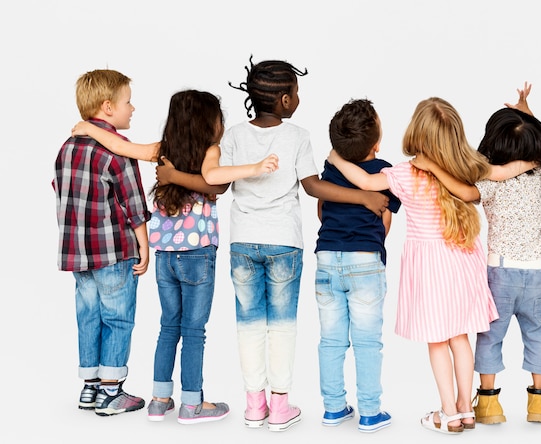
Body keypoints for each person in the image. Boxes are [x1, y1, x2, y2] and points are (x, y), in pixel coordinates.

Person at [156, 56, 389, 432]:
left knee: (248, 324)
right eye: (295, 92)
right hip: (284, 243)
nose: (298, 98)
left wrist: (174, 175)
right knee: (282, 326)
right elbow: (313, 187)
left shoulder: (232, 134)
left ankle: (254, 405)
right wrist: (362, 197)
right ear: (284, 100)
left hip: (243, 243)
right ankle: (280, 408)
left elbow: (216, 184)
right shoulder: (297, 136)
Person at [328, 96, 533, 434]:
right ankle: (467, 410)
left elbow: (364, 183)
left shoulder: (406, 173)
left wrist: (335, 156)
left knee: (437, 340)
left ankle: (449, 413)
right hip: (463, 259)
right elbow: (505, 171)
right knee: (459, 338)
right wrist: (534, 161)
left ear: (417, 134)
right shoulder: (466, 166)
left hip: (429, 265)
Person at [72, 89, 279, 424]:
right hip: (197, 255)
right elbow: (213, 180)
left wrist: (90, 128)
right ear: (209, 123)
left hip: (165, 256)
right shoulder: (211, 151)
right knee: (194, 330)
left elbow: (122, 147)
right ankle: (192, 404)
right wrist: (255, 167)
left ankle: (158, 400)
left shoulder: (162, 151)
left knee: (168, 327)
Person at [411, 83, 541, 425]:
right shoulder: (538, 170)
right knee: (539, 334)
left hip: (500, 272)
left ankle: (488, 405)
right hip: (537, 273)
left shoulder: (489, 183)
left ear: (491, 143)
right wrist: (525, 111)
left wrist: (432, 167)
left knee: (490, 338)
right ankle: (539, 405)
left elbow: (462, 190)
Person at [53, 69, 150, 416]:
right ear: (108, 107)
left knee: (88, 317)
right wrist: (144, 246)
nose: (133, 108)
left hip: (77, 254)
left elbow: (60, 189)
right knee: (118, 318)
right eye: (127, 102)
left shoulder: (67, 147)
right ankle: (112, 392)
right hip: (113, 251)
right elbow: (133, 204)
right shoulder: (118, 150)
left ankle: (89, 388)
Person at [314, 99, 401, 433]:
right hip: (365, 260)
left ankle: (334, 408)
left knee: (331, 340)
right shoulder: (384, 170)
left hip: (326, 257)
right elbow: (385, 222)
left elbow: (322, 210)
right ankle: (369, 412)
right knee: (367, 342)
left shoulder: (331, 170)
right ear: (376, 144)